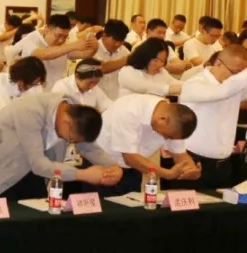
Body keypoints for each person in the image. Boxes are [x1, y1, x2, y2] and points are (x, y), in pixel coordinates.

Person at [0, 92, 124, 200]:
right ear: (67, 123)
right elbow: (38, 164)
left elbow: (88, 147)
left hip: (34, 176)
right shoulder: (29, 111)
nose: (72, 143)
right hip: (3, 176)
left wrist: (113, 167)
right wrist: (82, 174)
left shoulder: (75, 112)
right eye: (71, 139)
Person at [175, 44, 247, 189]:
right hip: (194, 162)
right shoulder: (195, 84)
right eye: (236, 72)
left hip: (224, 165)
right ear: (218, 63)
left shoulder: (233, 85)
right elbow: (221, 93)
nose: (237, 78)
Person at [96, 93, 200, 192]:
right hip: (101, 166)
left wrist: (191, 170)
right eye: (167, 136)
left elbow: (180, 155)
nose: (166, 138)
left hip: (133, 169)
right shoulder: (128, 111)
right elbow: (130, 158)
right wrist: (167, 174)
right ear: (163, 119)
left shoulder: (173, 121)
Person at [15, 14, 97, 87]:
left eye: (65, 36)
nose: (61, 40)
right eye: (58, 35)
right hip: (31, 91)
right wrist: (73, 45)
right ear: (47, 29)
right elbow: (45, 54)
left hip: (54, 90)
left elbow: (84, 55)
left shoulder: (65, 46)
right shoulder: (31, 40)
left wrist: (94, 48)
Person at [118, 38, 183, 98]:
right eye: (155, 60)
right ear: (145, 57)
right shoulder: (127, 71)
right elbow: (145, 87)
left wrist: (187, 85)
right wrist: (169, 89)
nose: (159, 65)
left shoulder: (161, 71)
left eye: (162, 61)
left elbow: (174, 82)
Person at [92, 19, 130, 99]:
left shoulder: (124, 50)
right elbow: (101, 68)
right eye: (115, 40)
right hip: (95, 98)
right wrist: (126, 60)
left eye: (121, 41)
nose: (118, 44)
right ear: (104, 35)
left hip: (115, 97)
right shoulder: (92, 49)